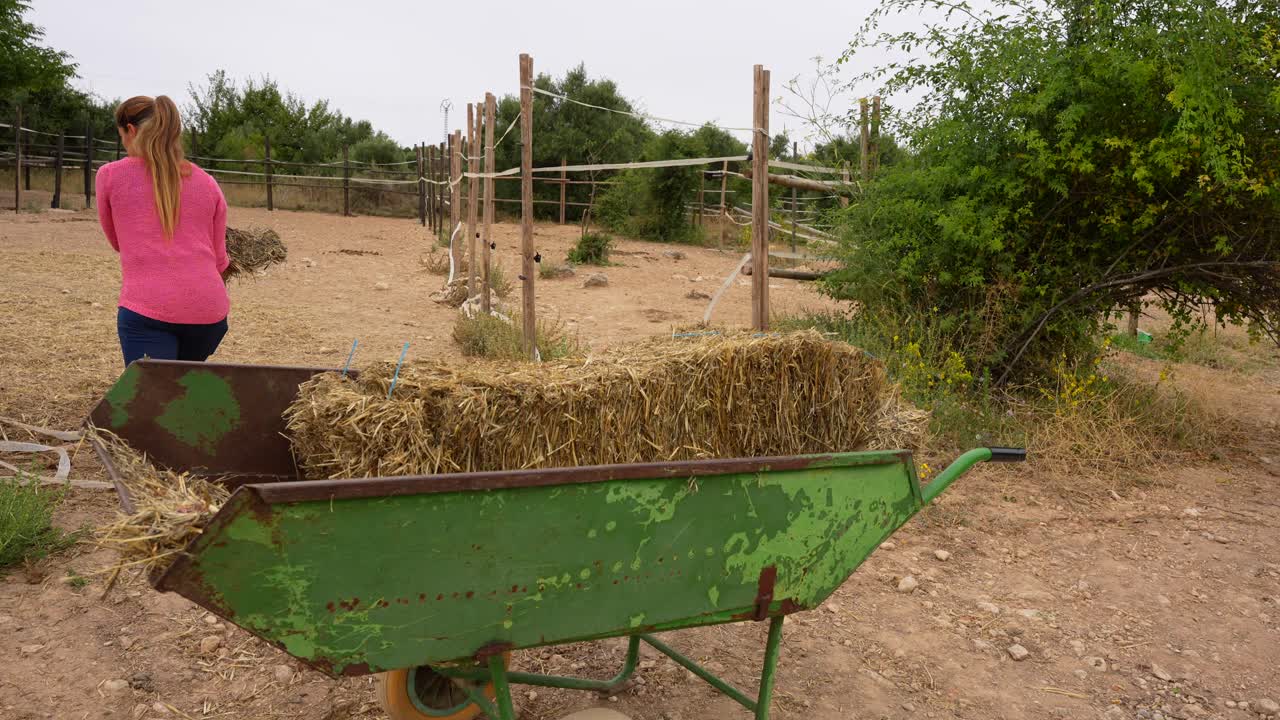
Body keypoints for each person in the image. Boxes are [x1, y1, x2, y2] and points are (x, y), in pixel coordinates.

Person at [95, 95, 230, 367]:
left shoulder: (110, 176)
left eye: (122, 134)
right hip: (210, 314)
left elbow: (118, 242)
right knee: (178, 385)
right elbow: (220, 260)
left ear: (130, 130)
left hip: (149, 311)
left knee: (155, 398)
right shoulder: (207, 182)